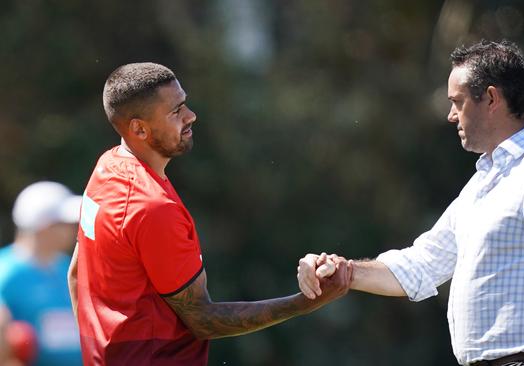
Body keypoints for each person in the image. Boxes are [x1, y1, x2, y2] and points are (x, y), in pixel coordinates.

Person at [298, 40, 524, 366]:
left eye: (457, 102)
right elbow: (422, 265)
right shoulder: (482, 184)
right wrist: (345, 272)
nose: (450, 115)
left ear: (490, 98)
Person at [68, 62, 352, 365]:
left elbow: (76, 274)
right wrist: (303, 303)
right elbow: (202, 320)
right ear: (139, 128)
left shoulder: (107, 168)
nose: (191, 116)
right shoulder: (152, 209)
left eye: (185, 104)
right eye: (176, 111)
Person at [0, 181, 83, 365]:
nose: (73, 229)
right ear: (44, 224)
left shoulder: (68, 269)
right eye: (65, 223)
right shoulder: (5, 271)